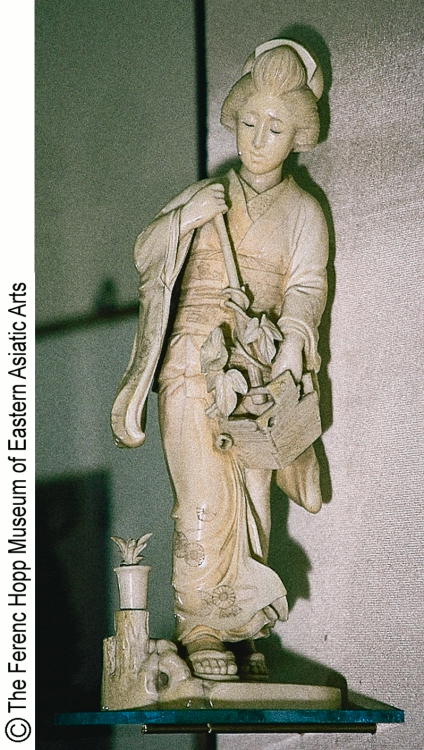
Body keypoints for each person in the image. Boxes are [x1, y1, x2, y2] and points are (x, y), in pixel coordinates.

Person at [111, 40, 328, 680]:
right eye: (250, 122)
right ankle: (200, 622)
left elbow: (307, 287)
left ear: (298, 137)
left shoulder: (304, 212)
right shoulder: (207, 194)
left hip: (256, 367)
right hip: (189, 359)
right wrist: (185, 217)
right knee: (202, 494)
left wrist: (291, 348)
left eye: (276, 129)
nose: (259, 140)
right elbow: (144, 253)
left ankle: (243, 623)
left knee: (254, 496)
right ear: (234, 119)